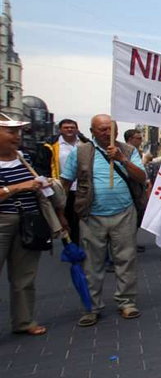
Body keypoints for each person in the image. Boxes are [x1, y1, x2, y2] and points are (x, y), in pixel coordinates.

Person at [60, 114, 146, 327]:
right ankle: (92, 307)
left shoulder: (128, 151)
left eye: (110, 128)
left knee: (125, 260)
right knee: (92, 264)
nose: (107, 133)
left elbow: (141, 177)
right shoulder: (81, 152)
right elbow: (65, 182)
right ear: (92, 132)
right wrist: (60, 213)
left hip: (124, 214)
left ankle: (126, 302)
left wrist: (122, 160)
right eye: (102, 129)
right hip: (92, 216)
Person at [0, 113, 55, 335]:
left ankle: (24, 321)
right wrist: (17, 188)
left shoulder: (26, 158)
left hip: (28, 220)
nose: (16, 136)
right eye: (11, 132)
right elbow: (22, 186)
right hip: (2, 221)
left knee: (24, 276)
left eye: (18, 132)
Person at [33, 118, 87, 244]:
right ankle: (70, 246)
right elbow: (42, 166)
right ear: (60, 130)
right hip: (62, 188)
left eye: (72, 127)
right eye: (66, 127)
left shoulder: (85, 144)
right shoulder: (50, 146)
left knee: (82, 220)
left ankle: (84, 246)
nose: (69, 129)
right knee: (65, 219)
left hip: (82, 188)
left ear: (77, 129)